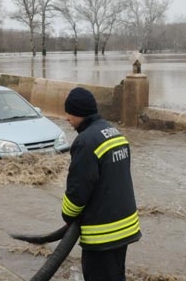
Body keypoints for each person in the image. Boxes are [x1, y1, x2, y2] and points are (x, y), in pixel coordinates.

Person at [62, 87, 142, 281]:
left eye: (69, 113)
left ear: (79, 113)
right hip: (125, 226)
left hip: (103, 233)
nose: (66, 118)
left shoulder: (85, 142)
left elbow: (78, 191)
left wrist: (67, 215)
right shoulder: (115, 134)